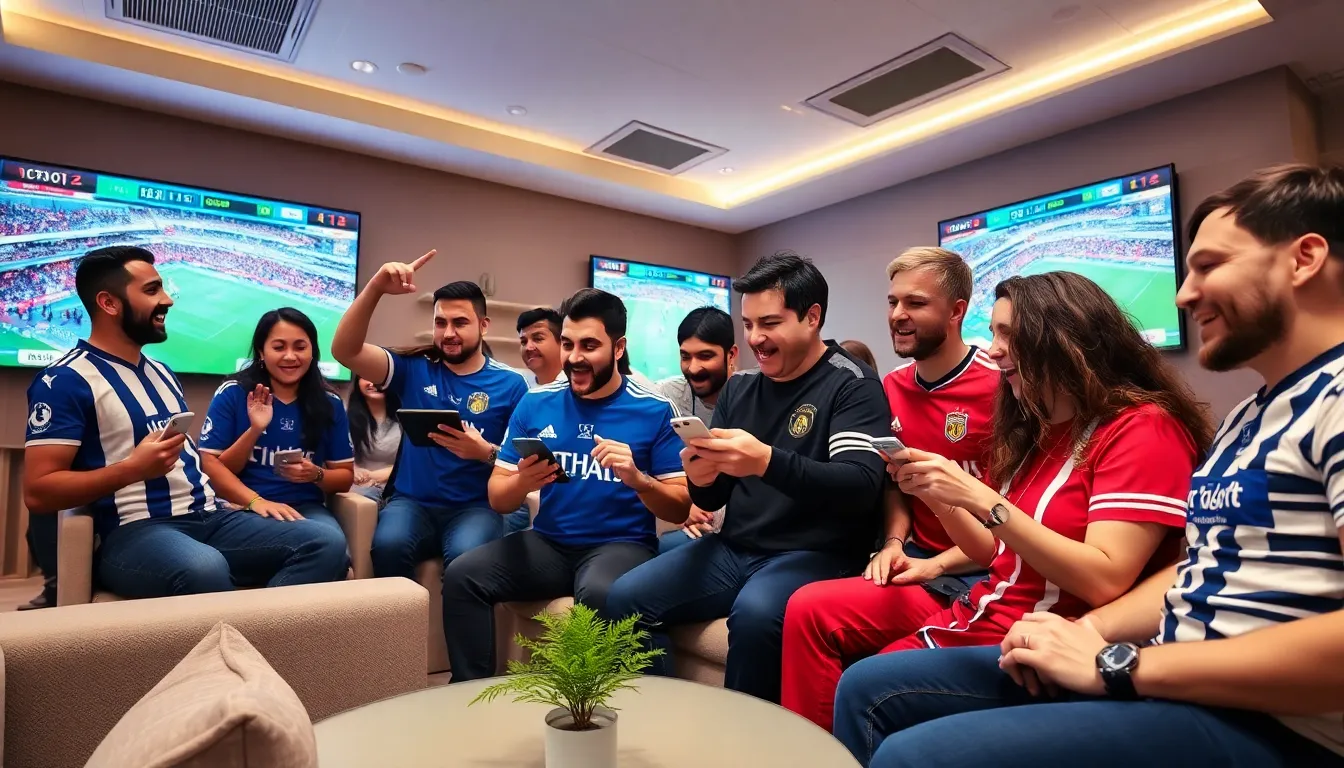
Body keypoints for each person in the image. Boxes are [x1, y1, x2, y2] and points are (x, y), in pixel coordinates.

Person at [832, 164, 1344, 768]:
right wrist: (1093, 633)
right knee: (865, 687)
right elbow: (1193, 571)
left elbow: (1103, 571)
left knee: (912, 755)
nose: (1184, 294)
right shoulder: (1252, 417)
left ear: (1305, 258)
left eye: (1209, 266)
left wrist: (1119, 661)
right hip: (1181, 682)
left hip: (1274, 723)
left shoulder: (1331, 400)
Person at [604, 251, 890, 704]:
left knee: (756, 615)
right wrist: (700, 476)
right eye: (749, 324)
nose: (756, 338)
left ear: (812, 317)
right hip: (735, 546)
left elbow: (859, 487)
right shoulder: (741, 388)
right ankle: (663, 718)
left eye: (770, 323)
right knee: (623, 601)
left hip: (817, 553)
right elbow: (715, 493)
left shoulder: (852, 383)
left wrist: (765, 461)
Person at [22, 246, 347, 598]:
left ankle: (255, 638)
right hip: (135, 531)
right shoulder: (66, 380)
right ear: (109, 303)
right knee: (204, 567)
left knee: (325, 541)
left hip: (209, 518)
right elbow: (39, 493)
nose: (167, 300)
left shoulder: (162, 373)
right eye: (151, 290)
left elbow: (198, 464)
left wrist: (248, 501)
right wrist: (131, 470)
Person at [780, 246, 1000, 730]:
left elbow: (1014, 520)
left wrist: (933, 564)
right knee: (806, 607)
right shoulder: (891, 387)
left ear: (957, 311)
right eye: (892, 301)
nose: (898, 315)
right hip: (916, 556)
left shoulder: (1002, 389)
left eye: (915, 303)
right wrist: (896, 542)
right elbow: (896, 484)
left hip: (979, 569)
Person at [441, 288, 691, 681]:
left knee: (597, 593)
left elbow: (679, 508)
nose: (575, 358)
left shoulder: (654, 409)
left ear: (619, 347)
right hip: (550, 544)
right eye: (568, 344)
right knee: (462, 574)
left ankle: (599, 711)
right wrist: (524, 480)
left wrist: (640, 481)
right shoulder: (536, 403)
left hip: (621, 545)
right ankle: (469, 692)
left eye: (589, 345)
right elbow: (498, 498)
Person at [331, 251, 529, 585]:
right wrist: (377, 287)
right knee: (388, 546)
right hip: (412, 504)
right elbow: (344, 351)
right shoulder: (413, 369)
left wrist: (485, 452)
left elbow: (523, 463)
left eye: (460, 322)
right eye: (441, 323)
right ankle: (394, 638)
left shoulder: (511, 384)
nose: (448, 332)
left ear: (483, 326)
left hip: (476, 507)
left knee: (467, 561)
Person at [199, 308, 354, 535]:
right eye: (279, 347)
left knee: (332, 544)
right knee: (325, 543)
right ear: (262, 352)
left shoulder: (330, 402)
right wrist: (255, 429)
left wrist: (316, 474)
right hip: (241, 506)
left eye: (300, 347)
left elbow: (344, 477)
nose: (290, 356)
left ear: (312, 351)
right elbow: (211, 468)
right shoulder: (233, 393)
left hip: (305, 509)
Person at [652, 306, 738, 553]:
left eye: (705, 356)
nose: (693, 367)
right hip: (685, 518)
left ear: (731, 355)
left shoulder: (752, 396)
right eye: (685, 356)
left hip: (732, 526)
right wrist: (683, 509)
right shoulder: (666, 395)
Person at [347, 374, 402, 504]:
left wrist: (372, 476)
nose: (373, 383)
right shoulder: (344, 419)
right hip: (356, 487)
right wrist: (352, 470)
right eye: (366, 376)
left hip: (396, 487)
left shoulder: (405, 420)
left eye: (380, 378)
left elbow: (412, 463)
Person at [517, 307, 564, 388]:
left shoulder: (578, 388)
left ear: (562, 342)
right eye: (524, 342)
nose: (528, 348)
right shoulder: (520, 389)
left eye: (538, 339)